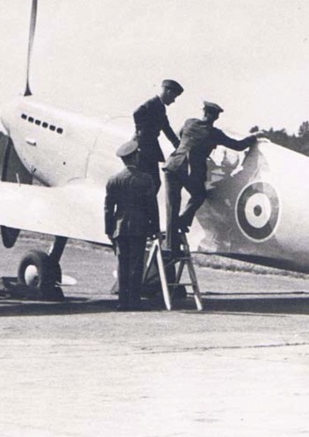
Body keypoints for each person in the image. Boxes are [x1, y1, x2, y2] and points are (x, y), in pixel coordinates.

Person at [163, 101, 261, 256]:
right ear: (215, 117)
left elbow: (179, 137)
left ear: (203, 112)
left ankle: (169, 246)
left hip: (173, 166)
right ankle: (182, 222)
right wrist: (253, 138)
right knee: (199, 195)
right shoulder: (214, 133)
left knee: (172, 206)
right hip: (190, 171)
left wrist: (184, 150)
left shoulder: (189, 122)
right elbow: (238, 145)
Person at [104, 139, 157, 311]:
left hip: (120, 228)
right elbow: (151, 206)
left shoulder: (114, 180)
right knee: (136, 265)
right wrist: (154, 228)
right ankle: (134, 301)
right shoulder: (146, 179)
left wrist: (108, 229)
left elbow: (108, 207)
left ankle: (122, 302)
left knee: (122, 265)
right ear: (135, 157)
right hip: (139, 227)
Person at [132, 79, 183, 193]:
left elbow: (166, 127)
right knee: (152, 182)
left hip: (149, 147)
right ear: (168, 92)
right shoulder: (153, 103)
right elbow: (137, 113)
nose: (174, 100)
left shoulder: (160, 106)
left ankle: (143, 207)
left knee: (152, 182)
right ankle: (143, 207)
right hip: (144, 147)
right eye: (174, 97)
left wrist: (177, 144)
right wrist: (140, 132)